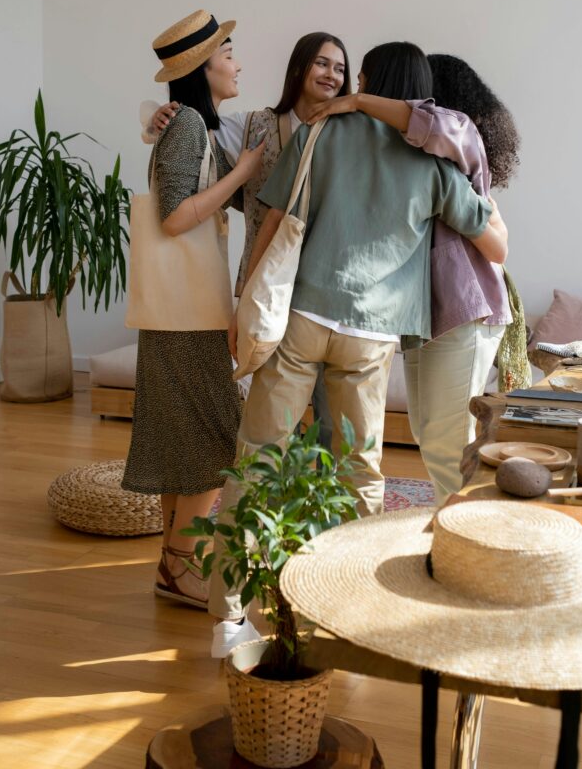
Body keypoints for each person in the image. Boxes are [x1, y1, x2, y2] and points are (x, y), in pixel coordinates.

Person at [209, 42, 509, 656]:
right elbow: (493, 245)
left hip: (303, 317)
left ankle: (228, 618)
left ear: (371, 83)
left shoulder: (323, 132)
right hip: (370, 337)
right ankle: (347, 611)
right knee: (360, 476)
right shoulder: (436, 166)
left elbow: (274, 219)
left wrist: (244, 300)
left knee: (258, 460)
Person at [307, 47, 519, 502]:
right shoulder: (405, 158)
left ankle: (470, 546)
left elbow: (495, 245)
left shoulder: (454, 135)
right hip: (426, 316)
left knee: (447, 444)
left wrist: (359, 102)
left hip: (465, 309)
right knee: (430, 436)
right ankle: (454, 538)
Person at [141, 31, 352, 448]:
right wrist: (153, 120)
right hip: (266, 287)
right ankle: (278, 509)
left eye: (341, 68)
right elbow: (191, 141)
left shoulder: (352, 133)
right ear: (298, 67)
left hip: (330, 292)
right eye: (322, 63)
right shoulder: (252, 126)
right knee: (272, 418)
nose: (332, 74)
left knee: (335, 419)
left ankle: (334, 512)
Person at [122, 10, 266, 610]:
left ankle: (172, 569)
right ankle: (181, 567)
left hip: (176, 315)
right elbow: (174, 215)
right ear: (202, 68)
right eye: (229, 53)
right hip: (187, 317)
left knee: (180, 441)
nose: (237, 64)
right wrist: (244, 174)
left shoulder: (186, 126)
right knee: (215, 440)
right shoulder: (187, 128)